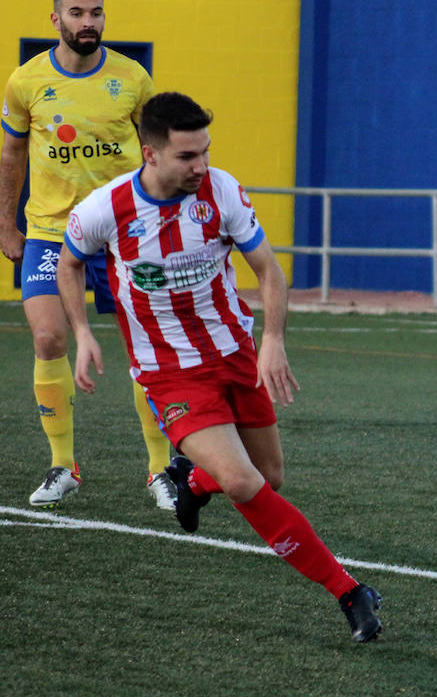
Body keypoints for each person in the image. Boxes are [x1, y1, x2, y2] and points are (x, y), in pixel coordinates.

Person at [57, 91, 382, 644]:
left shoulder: (221, 190)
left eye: (205, 151)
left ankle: (192, 480)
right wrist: (83, 332)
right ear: (150, 153)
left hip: (235, 353)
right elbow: (69, 264)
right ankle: (350, 592)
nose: (200, 165)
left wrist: (272, 339)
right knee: (243, 480)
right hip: (169, 373)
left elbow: (269, 270)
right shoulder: (104, 209)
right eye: (187, 156)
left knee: (268, 477)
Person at [0, 0, 174, 510]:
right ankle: (63, 465)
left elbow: (158, 152)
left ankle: (161, 470)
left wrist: (165, 216)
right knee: (48, 338)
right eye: (77, 13)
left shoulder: (133, 78)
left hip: (123, 233)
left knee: (146, 345)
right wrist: (5, 224)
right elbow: (11, 155)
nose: (88, 22)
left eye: (96, 12)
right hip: (50, 232)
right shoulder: (25, 82)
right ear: (56, 19)